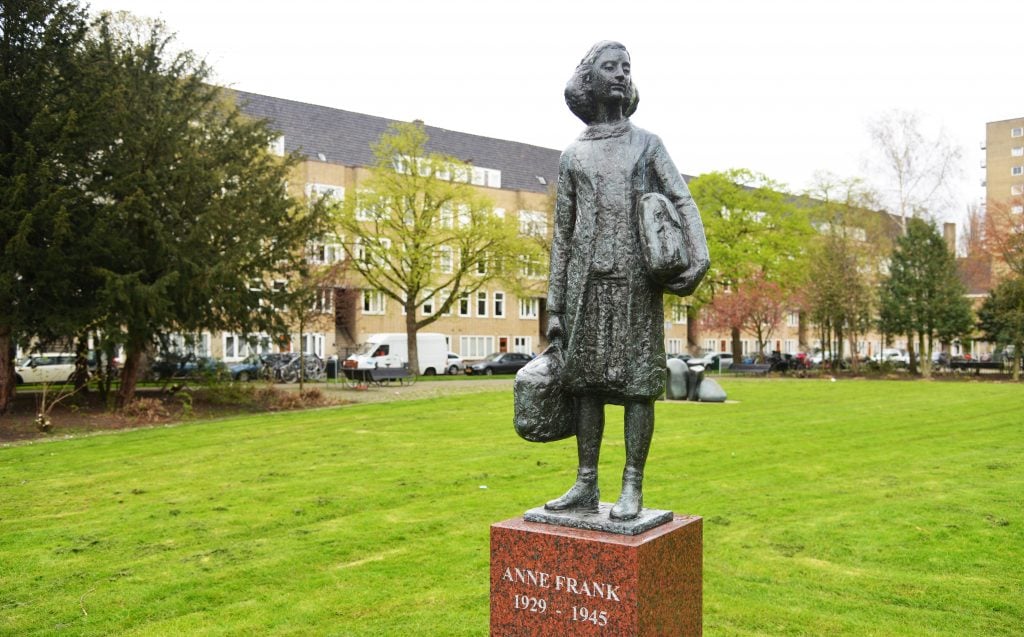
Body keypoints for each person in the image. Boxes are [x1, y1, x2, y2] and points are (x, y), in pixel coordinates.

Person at [545, 41, 709, 520]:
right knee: (586, 385)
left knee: (638, 386)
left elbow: (682, 201)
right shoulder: (573, 155)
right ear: (590, 81)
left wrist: (697, 257)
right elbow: (563, 233)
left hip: (637, 283)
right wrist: (555, 304)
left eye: (626, 68)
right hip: (586, 286)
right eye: (609, 67)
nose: (620, 74)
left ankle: (632, 483)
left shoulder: (647, 144)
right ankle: (585, 482)